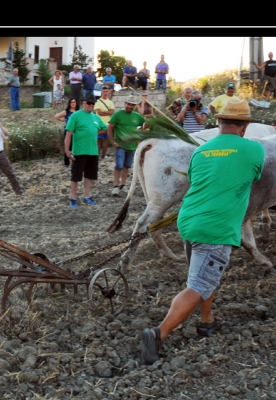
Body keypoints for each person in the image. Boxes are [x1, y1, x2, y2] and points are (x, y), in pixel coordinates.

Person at [140, 98, 265, 364]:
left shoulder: (201, 151)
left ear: (219, 122)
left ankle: (206, 320)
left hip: (189, 221)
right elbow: (254, 176)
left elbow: (198, 180)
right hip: (215, 226)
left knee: (204, 274)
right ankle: (158, 333)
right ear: (244, 126)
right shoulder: (253, 150)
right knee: (198, 284)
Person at [64, 94, 108, 208]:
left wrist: (94, 133)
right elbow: (68, 134)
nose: (91, 105)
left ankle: (87, 197)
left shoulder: (95, 117)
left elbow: (105, 128)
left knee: (89, 175)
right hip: (79, 151)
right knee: (76, 176)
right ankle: (73, 198)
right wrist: (67, 150)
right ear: (84, 103)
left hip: (93, 151)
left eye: (93, 103)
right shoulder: (75, 116)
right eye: (89, 103)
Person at [108, 96, 145, 197]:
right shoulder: (117, 115)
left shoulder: (137, 116)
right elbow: (110, 127)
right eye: (128, 104)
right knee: (119, 165)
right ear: (125, 103)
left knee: (127, 166)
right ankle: (115, 187)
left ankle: (123, 185)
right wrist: (112, 141)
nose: (130, 106)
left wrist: (139, 132)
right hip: (120, 145)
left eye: (132, 104)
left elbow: (146, 123)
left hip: (132, 146)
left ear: (134, 105)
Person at [55, 97, 78, 168]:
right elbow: (56, 116)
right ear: (69, 103)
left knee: (75, 147)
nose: (73, 104)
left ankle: (75, 161)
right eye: (72, 102)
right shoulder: (66, 112)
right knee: (67, 146)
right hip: (68, 131)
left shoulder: (78, 112)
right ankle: (66, 163)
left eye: (74, 102)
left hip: (76, 132)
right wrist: (63, 121)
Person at [94, 86, 115, 159]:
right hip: (99, 123)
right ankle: (96, 154)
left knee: (106, 140)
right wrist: (108, 112)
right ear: (101, 92)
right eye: (104, 91)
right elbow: (99, 112)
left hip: (107, 123)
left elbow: (112, 112)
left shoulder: (110, 102)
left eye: (106, 91)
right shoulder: (98, 102)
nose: (105, 93)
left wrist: (105, 112)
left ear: (108, 92)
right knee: (98, 140)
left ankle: (104, 155)